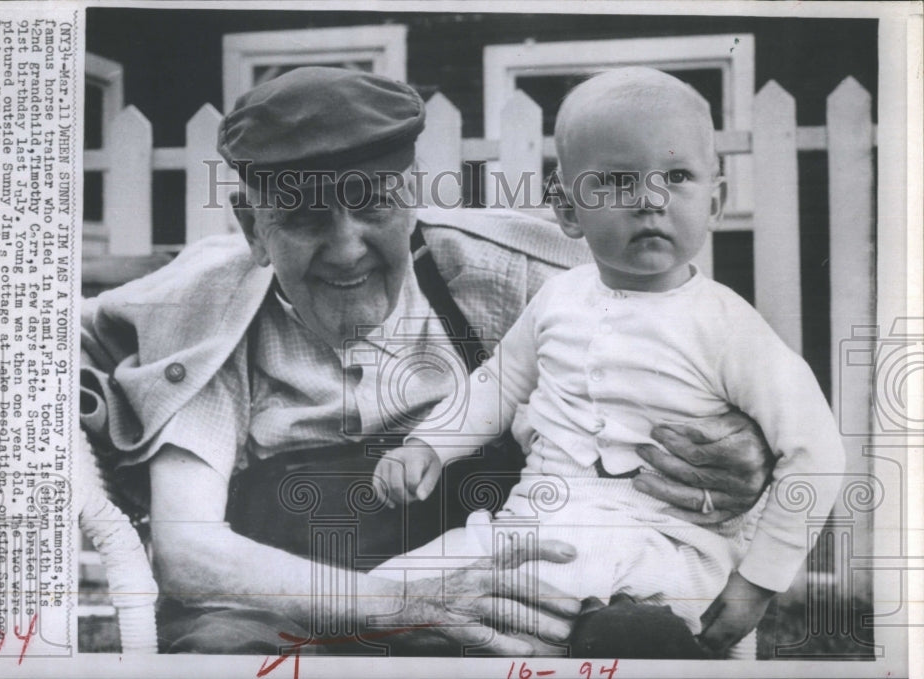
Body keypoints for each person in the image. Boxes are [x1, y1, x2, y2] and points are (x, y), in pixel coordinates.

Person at [79, 66, 777, 656]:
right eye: (306, 218)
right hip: (296, 620)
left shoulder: (514, 275)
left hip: (501, 614)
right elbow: (190, 552)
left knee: (635, 637)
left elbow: (701, 362)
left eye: (373, 206)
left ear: (409, 195)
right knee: (224, 651)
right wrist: (400, 602)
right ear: (251, 226)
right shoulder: (210, 314)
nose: (348, 247)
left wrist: (744, 443)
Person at [371, 67, 845, 658]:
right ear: (568, 212)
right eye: (619, 181)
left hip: (667, 547)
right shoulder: (558, 298)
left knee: (637, 638)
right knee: (377, 600)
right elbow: (496, 384)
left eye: (677, 176)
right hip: (538, 527)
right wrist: (429, 446)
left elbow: (816, 451)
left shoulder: (728, 325)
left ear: (715, 200)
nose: (649, 200)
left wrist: (759, 579)